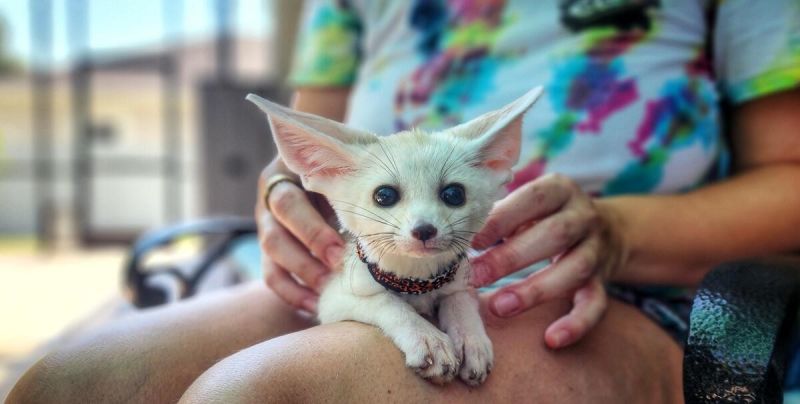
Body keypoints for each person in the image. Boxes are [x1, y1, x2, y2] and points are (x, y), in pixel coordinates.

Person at [9, 1, 800, 402]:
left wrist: (620, 231)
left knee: (259, 396)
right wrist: (285, 195)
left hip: (615, 294)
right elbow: (307, 144)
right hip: (366, 267)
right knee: (71, 385)